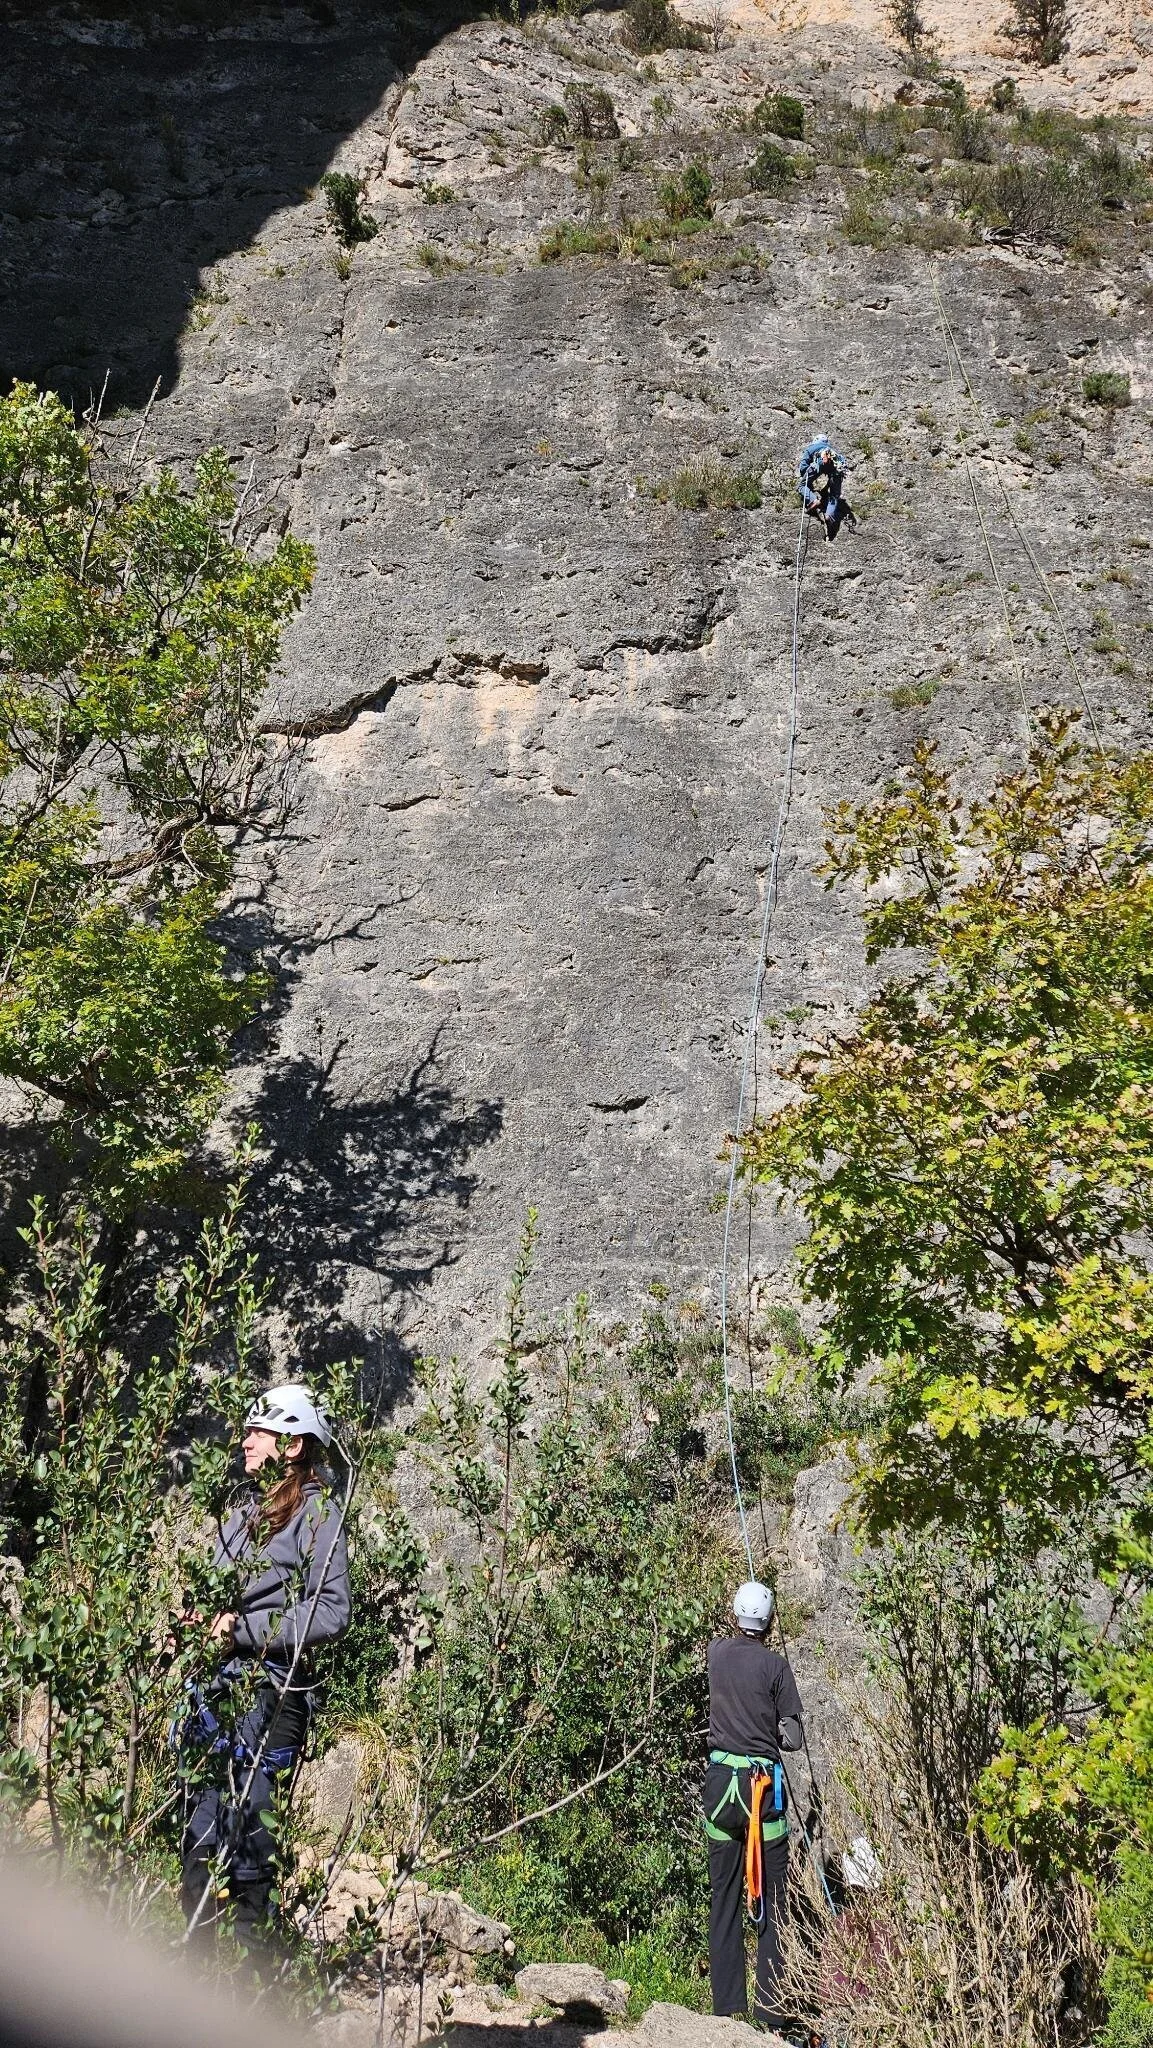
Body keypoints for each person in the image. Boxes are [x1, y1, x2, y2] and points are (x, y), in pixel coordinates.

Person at [179, 1383, 352, 1959]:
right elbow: (218, 1599)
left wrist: (242, 1630)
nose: (247, 1441)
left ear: (294, 1445)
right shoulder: (242, 1513)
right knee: (200, 1831)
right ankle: (191, 1977)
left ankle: (253, 1987)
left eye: (261, 1432)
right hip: (218, 1687)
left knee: (249, 1834)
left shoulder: (318, 1513)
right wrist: (194, 1621)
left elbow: (332, 1610)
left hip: (271, 1693)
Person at [703, 1580, 804, 2028]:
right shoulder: (776, 1667)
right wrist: (774, 1725)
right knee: (774, 1903)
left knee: (723, 1897)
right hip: (761, 1794)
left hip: (722, 1789)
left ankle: (727, 2009)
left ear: (735, 1615)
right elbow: (792, 1738)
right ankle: (771, 2013)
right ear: (770, 1620)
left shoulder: (716, 1653)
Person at [797, 436, 853, 542]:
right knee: (834, 496)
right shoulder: (833, 451)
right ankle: (829, 515)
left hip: (820, 462)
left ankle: (813, 500)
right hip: (836, 468)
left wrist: (806, 477)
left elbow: (803, 466)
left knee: (801, 486)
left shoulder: (812, 448)